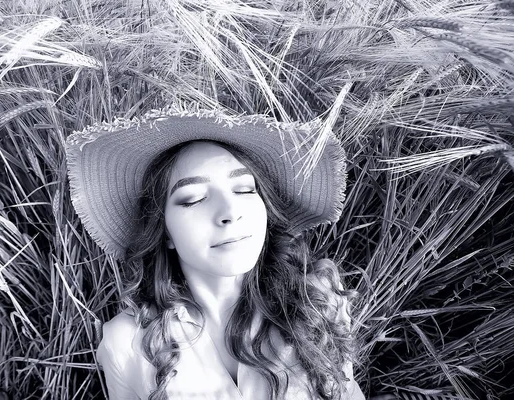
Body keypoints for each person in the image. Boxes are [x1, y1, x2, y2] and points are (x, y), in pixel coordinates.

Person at [66, 106, 365, 399]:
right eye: (194, 198)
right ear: (165, 231)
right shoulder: (125, 342)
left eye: (245, 189)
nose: (230, 212)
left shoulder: (319, 301)